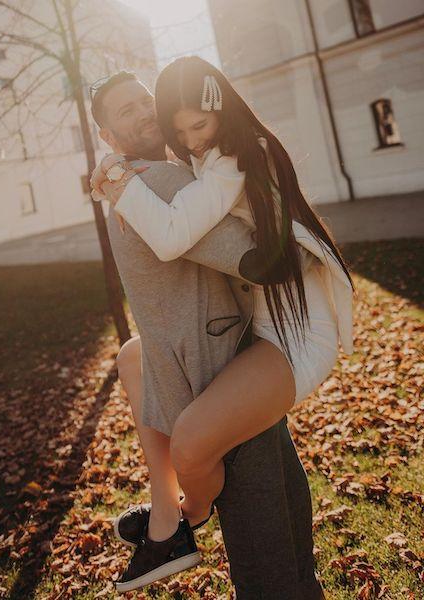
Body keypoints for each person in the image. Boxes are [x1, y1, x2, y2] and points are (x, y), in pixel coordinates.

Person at [89, 66, 343, 598]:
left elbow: (232, 252)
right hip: (246, 342)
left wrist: (117, 181)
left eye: (144, 100)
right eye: (126, 111)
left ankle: (180, 522)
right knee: (134, 357)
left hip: (276, 338)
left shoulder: (167, 176)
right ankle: (171, 518)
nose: (146, 114)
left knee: (202, 452)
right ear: (108, 136)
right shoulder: (169, 175)